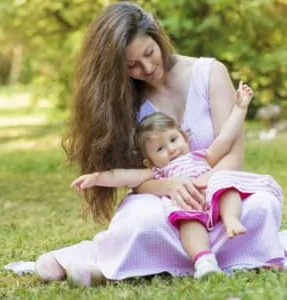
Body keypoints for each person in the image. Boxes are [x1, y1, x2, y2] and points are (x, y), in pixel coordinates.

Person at [34, 1, 285, 287]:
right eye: (132, 66)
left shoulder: (210, 73)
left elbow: (233, 155)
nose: (148, 67)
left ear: (157, 37)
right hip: (162, 204)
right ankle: (194, 259)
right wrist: (170, 187)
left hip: (216, 191)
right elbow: (139, 178)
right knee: (145, 222)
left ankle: (136, 265)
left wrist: (198, 188)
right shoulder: (126, 101)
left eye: (149, 53)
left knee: (261, 207)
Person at [70, 83, 254, 280]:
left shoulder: (202, 157)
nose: (171, 149)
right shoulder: (158, 172)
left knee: (227, 187)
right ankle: (204, 261)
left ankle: (231, 219)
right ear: (149, 161)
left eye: (173, 140)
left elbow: (226, 138)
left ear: (184, 138)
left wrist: (240, 108)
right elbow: (123, 175)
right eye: (160, 149)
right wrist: (96, 178)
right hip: (191, 206)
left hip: (214, 198)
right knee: (189, 223)